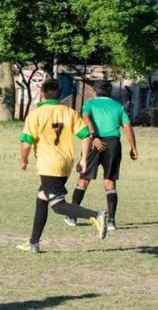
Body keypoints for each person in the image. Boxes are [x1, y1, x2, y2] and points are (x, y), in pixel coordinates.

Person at [18, 79, 108, 253]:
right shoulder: (69, 112)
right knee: (42, 198)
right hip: (65, 163)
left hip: (48, 165)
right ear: (59, 95)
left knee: (57, 205)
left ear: (42, 94)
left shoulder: (36, 114)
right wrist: (83, 160)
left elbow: (26, 143)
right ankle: (33, 243)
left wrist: (24, 160)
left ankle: (96, 215)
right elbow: (85, 136)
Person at [65, 80, 138, 231]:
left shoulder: (89, 104)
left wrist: (93, 137)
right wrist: (133, 148)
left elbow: (86, 118)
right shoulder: (118, 106)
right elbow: (128, 128)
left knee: (83, 179)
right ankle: (111, 220)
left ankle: (72, 216)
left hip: (93, 142)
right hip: (113, 144)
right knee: (110, 182)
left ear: (95, 92)